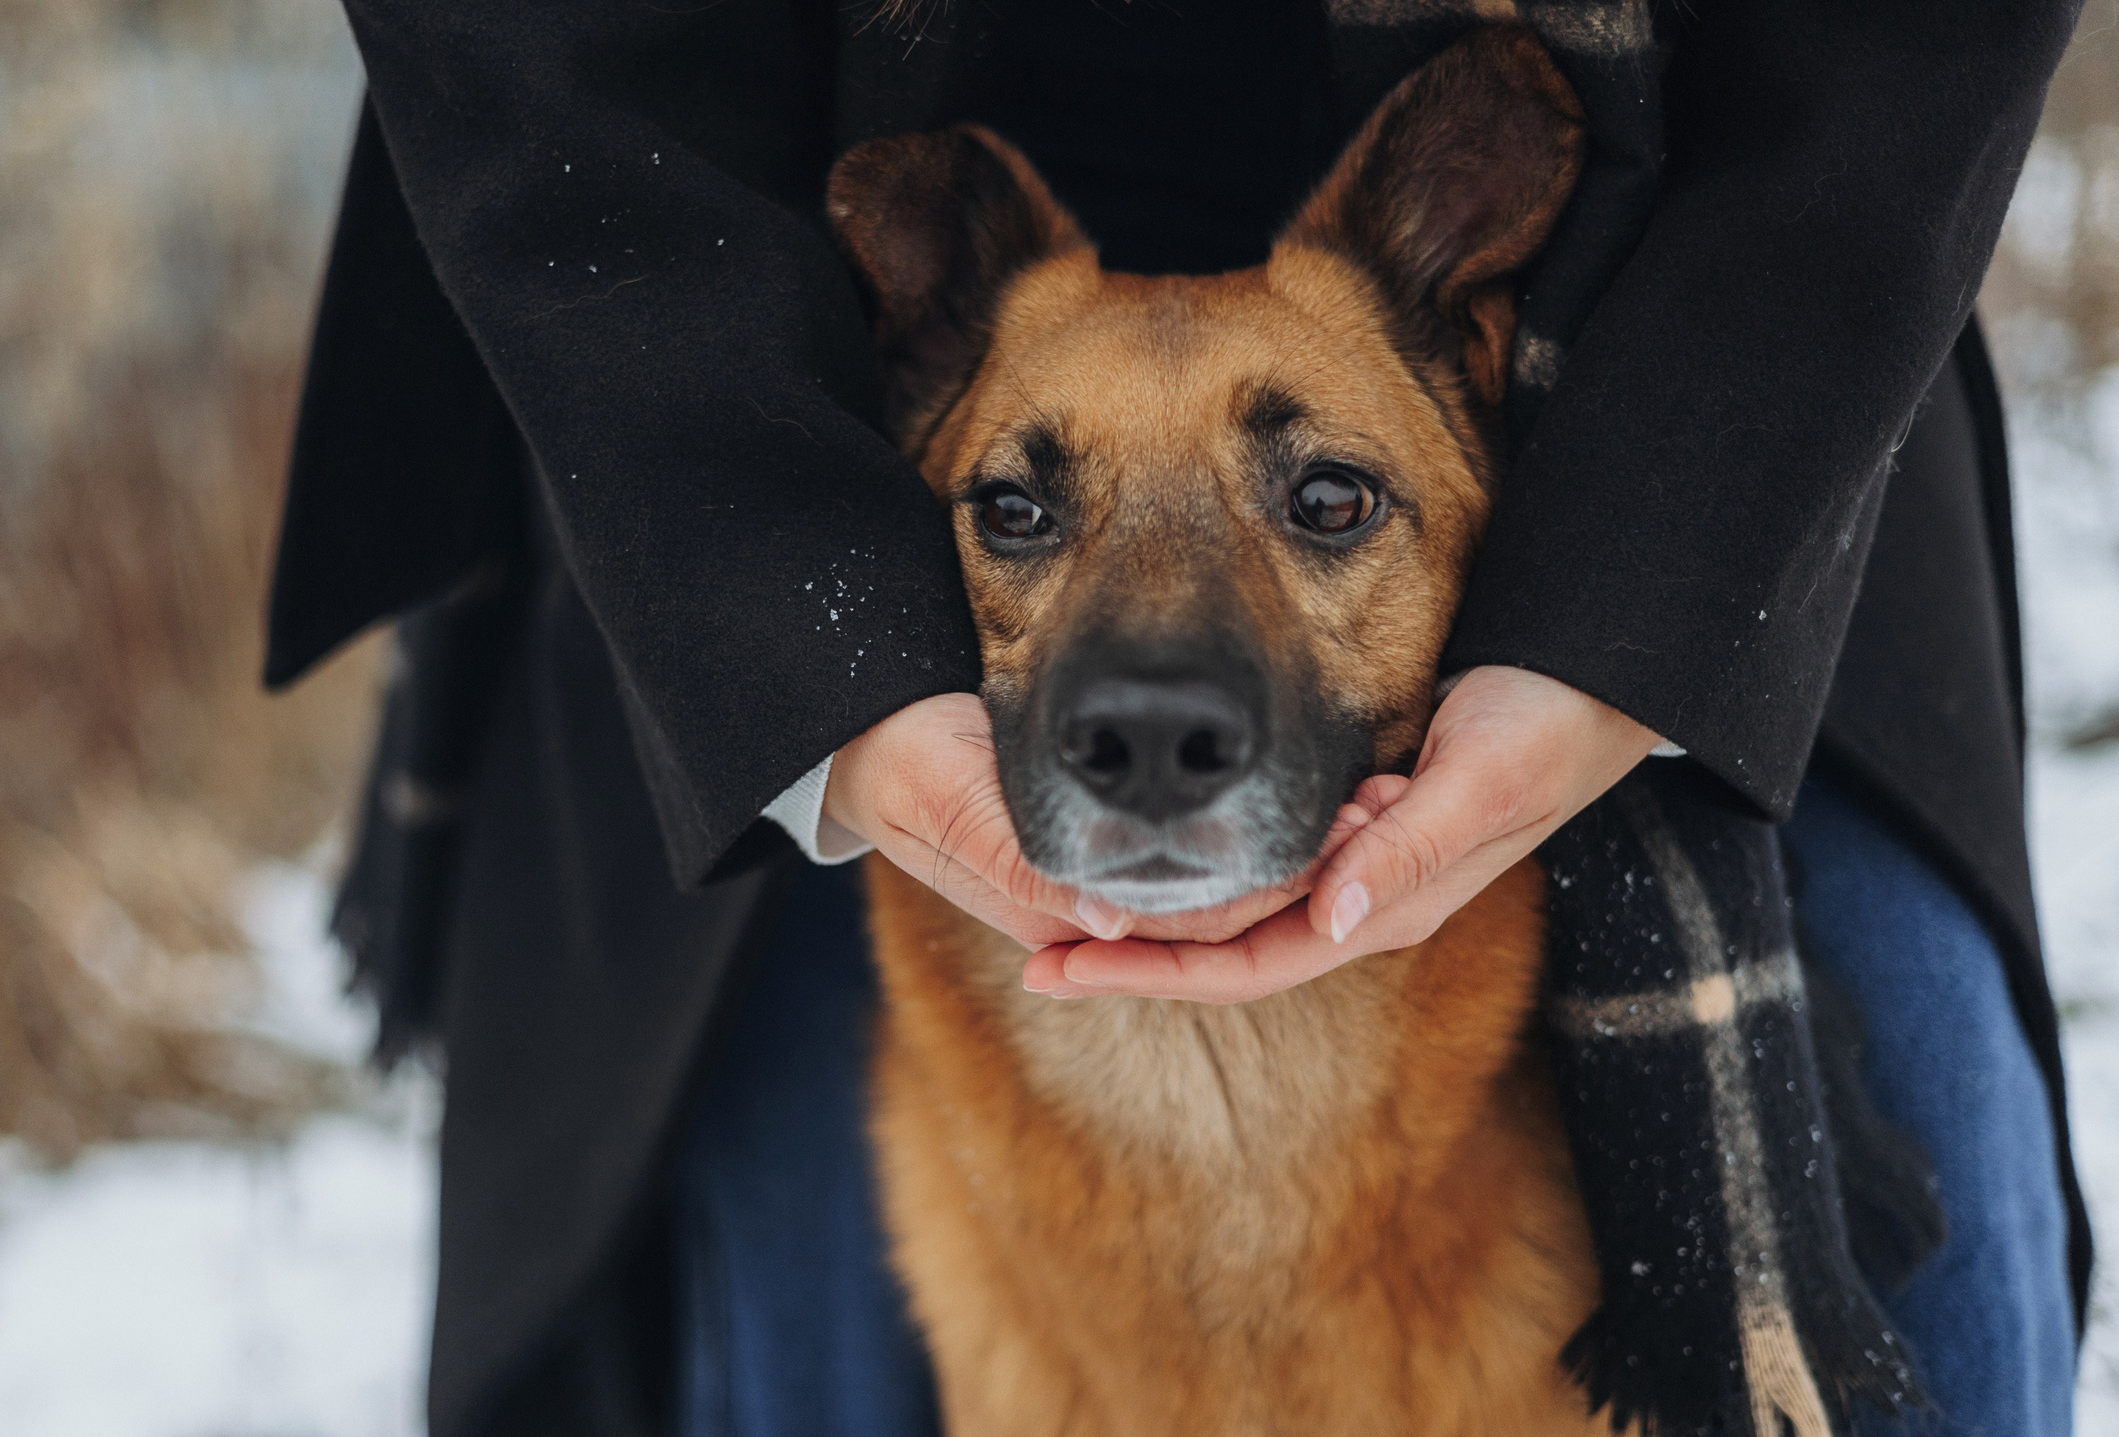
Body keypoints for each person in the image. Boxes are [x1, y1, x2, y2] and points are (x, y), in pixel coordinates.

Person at [266, 4, 2092, 1435]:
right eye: (1024, 507)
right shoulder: (862, 412)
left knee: (1935, 1287)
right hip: (745, 355)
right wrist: (807, 677)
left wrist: (1646, 631)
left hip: (1716, 337)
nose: (1154, 713)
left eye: (1321, 509)